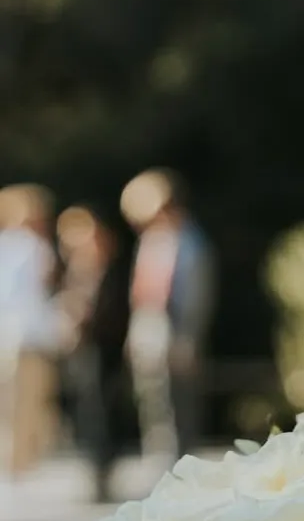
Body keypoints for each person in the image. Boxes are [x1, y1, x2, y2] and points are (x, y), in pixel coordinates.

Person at [120, 170, 215, 461]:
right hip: (149, 333)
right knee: (153, 403)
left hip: (176, 333)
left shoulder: (190, 242)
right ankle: (159, 459)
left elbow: (196, 296)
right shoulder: (151, 242)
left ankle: (181, 465)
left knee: (180, 405)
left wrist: (189, 338)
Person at [55, 206, 131, 502]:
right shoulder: (78, 269)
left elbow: (113, 310)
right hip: (83, 349)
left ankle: (104, 471)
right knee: (86, 409)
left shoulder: (113, 269)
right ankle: (93, 469)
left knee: (104, 409)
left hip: (104, 346)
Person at [0, 184, 61, 476]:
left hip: (14, 336)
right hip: (28, 337)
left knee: (14, 404)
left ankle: (16, 463)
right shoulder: (32, 247)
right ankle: (19, 465)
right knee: (26, 403)